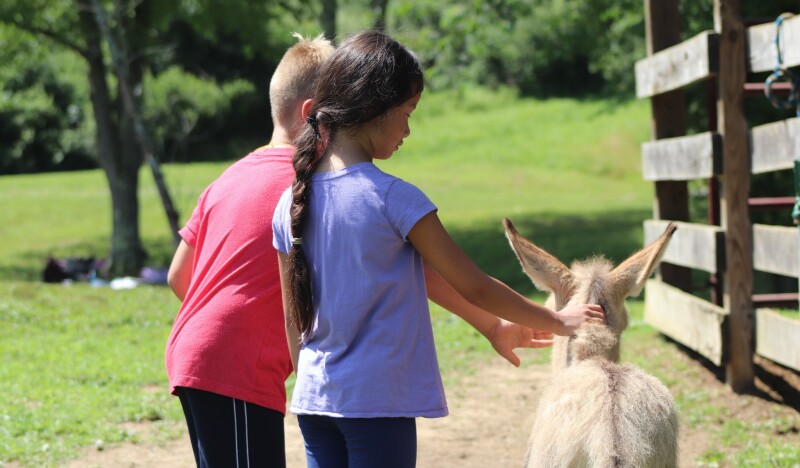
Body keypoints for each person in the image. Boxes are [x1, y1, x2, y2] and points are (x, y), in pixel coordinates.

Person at [271, 29, 605, 468]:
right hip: (377, 405)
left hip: (315, 401)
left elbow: (293, 318)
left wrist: (310, 385)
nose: (408, 130)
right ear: (374, 108)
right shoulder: (395, 198)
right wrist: (558, 319)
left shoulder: (290, 201)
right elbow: (474, 286)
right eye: (407, 113)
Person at [164, 33, 335, 468]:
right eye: (346, 115)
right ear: (313, 115)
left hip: (197, 354)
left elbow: (177, 277)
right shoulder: (305, 188)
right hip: (233, 366)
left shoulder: (230, 175)